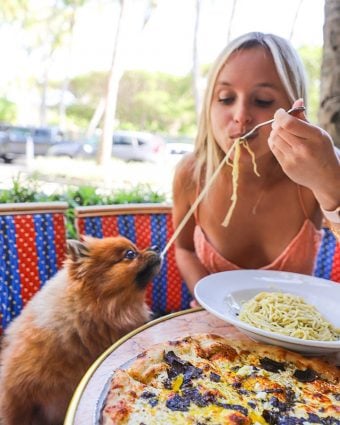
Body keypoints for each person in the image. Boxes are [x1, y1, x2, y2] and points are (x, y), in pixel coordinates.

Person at [172, 32, 340, 302]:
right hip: (211, 334)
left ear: (293, 110)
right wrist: (210, 301)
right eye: (226, 98)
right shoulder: (192, 173)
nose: (240, 116)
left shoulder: (313, 174)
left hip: (295, 337)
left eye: (262, 100)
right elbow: (185, 250)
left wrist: (330, 181)